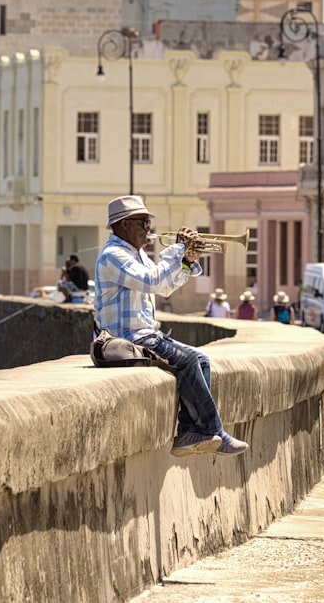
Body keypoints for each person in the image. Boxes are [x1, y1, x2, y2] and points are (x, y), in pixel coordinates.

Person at [94, 195, 247, 457]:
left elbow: (163, 286)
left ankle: (190, 431)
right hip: (125, 339)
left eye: (148, 222)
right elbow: (153, 281)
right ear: (123, 225)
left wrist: (186, 262)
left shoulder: (137, 255)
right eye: (142, 222)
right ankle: (215, 432)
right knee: (187, 361)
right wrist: (177, 251)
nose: (148, 228)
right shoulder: (113, 256)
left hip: (143, 334)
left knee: (202, 359)